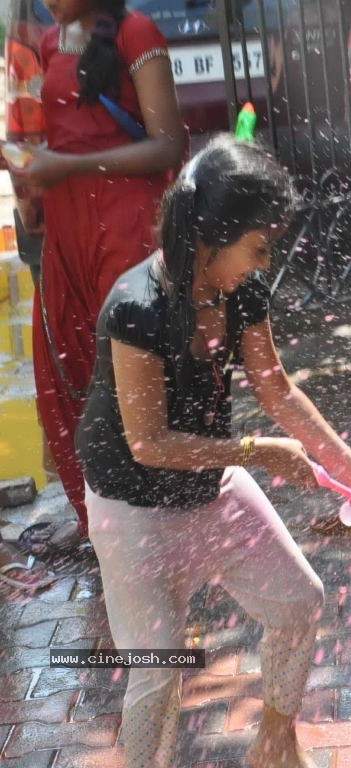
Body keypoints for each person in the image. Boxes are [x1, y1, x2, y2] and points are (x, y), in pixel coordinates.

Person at [75, 136, 351, 768]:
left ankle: (275, 744)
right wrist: (255, 452)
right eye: (258, 246)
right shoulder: (136, 307)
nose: (264, 261)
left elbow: (278, 391)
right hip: (130, 506)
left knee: (300, 604)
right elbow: (149, 443)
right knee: (158, 668)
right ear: (208, 238)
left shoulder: (242, 292)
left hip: (211, 487)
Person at [9, 0, 185, 556]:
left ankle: (162, 523)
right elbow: (61, 138)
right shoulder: (51, 41)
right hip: (68, 228)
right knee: (65, 372)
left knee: (130, 376)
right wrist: (34, 169)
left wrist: (67, 166)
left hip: (126, 225)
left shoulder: (136, 31)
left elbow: (169, 146)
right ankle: (104, 526)